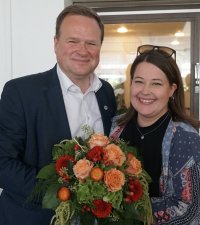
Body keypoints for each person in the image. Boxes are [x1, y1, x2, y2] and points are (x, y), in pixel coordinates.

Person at [0, 5, 116, 225]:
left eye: (91, 43)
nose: (83, 50)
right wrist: (65, 195)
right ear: (56, 44)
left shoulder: (106, 92)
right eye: (73, 41)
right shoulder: (21, 92)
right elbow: (3, 163)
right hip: (33, 218)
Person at [110, 44, 200, 224]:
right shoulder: (115, 127)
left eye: (156, 83)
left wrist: (124, 211)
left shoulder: (186, 137)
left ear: (172, 89)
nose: (145, 91)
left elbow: (188, 208)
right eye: (139, 81)